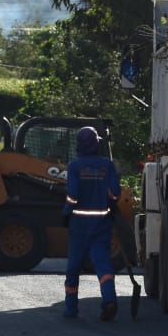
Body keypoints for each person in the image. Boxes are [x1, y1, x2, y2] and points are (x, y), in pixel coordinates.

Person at [63, 126, 122, 321]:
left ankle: (71, 310)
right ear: (97, 143)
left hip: (79, 224)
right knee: (103, 266)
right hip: (101, 223)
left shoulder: (74, 166)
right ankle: (109, 300)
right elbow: (115, 193)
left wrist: (66, 212)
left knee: (73, 269)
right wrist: (109, 202)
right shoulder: (107, 164)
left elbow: (72, 196)